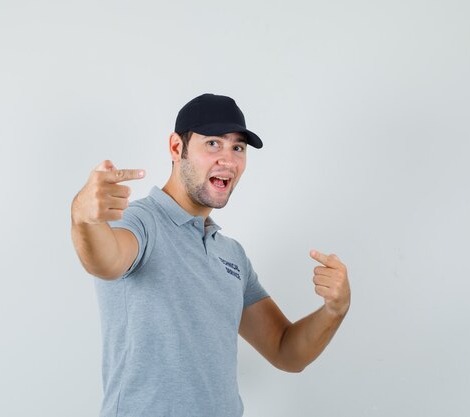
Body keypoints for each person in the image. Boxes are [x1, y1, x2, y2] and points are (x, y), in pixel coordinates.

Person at [70, 93, 351, 417]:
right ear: (177, 148)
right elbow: (105, 262)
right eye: (213, 144)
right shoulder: (141, 222)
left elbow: (285, 351)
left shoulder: (231, 255)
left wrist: (334, 310)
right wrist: (84, 217)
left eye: (238, 148)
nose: (229, 160)